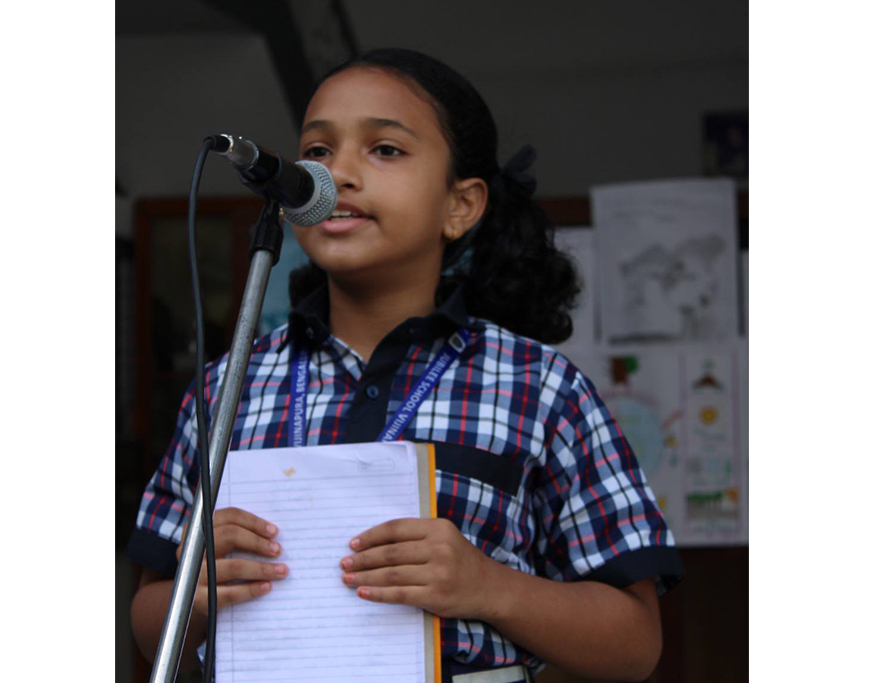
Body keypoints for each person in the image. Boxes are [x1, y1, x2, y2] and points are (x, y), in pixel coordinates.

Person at [129, 48, 684, 683]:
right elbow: (149, 627)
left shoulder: (541, 387)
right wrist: (198, 594)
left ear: (461, 206)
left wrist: (490, 586)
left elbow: (635, 645)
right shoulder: (228, 385)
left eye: (385, 149)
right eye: (317, 151)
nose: (338, 174)